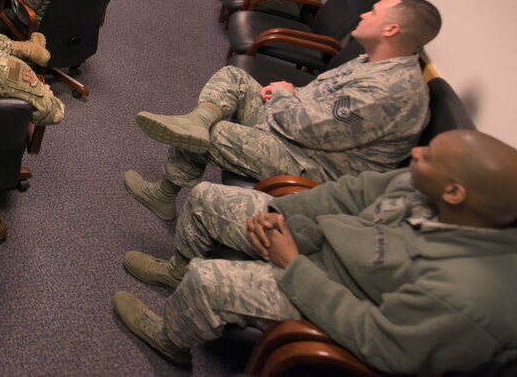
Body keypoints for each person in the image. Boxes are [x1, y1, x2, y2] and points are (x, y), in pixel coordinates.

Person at [112, 129, 517, 374]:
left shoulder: (467, 295)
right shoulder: (425, 185)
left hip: (331, 293)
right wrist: (280, 214)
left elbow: (380, 341)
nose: (416, 153)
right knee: (205, 200)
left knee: (210, 282)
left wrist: (293, 264)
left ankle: (171, 339)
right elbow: (350, 192)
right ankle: (176, 272)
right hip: (313, 244)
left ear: (455, 193)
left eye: (428, 156)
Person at [125, 0, 442, 220]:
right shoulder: (375, 61)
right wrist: (286, 93)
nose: (363, 15)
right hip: (298, 131)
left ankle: (165, 192)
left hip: (314, 166)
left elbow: (308, 131)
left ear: (391, 30)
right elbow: (320, 102)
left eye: (372, 13)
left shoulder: (389, 92)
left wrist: (283, 96)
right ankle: (194, 122)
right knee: (234, 77)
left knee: (217, 132)